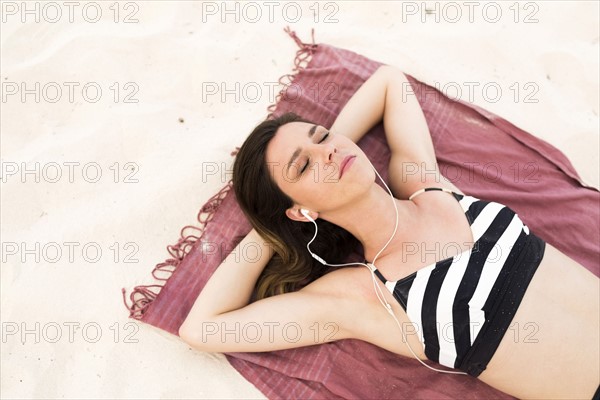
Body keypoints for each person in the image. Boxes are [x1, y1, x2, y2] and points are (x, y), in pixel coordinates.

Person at [179, 65, 600, 400]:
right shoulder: (361, 296)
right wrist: (269, 229)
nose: (327, 150)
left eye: (322, 137)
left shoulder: (427, 187)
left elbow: (389, 82)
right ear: (300, 210)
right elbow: (202, 329)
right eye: (304, 166)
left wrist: (333, 144)